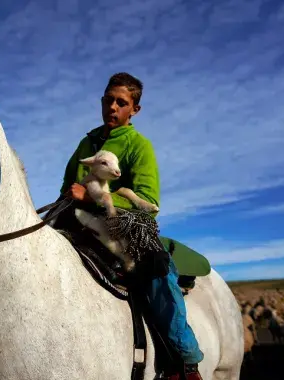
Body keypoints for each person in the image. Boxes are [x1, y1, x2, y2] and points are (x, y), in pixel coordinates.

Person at [57, 72, 204, 380]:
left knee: (158, 268)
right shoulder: (87, 142)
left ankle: (184, 362)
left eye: (121, 102)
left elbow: (149, 200)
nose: (112, 107)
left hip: (126, 226)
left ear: (134, 109)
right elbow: (68, 187)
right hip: (79, 220)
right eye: (108, 100)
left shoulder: (140, 146)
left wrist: (93, 199)